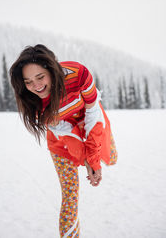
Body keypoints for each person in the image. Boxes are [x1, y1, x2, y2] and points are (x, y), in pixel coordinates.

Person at [9, 44, 117, 237]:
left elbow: (93, 110)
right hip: (62, 137)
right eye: (28, 81)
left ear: (53, 69)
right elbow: (68, 135)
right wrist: (86, 159)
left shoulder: (78, 74)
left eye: (40, 77)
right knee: (70, 195)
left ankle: (104, 143)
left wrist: (93, 159)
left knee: (110, 157)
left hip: (89, 119)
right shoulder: (32, 103)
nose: (36, 86)